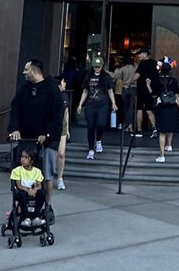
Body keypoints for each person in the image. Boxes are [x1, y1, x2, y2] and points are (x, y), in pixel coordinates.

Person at [8, 60, 65, 211]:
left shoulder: (52, 89)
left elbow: (57, 116)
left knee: (46, 173)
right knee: (23, 171)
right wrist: (14, 128)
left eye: (26, 69)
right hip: (27, 138)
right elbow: (15, 108)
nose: (24, 72)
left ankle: (47, 205)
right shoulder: (24, 89)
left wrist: (46, 133)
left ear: (34, 70)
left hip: (47, 140)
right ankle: (21, 205)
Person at [77, 56, 116, 159]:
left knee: (101, 124)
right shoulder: (88, 76)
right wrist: (80, 104)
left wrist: (113, 103)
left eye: (98, 66)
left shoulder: (106, 76)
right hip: (90, 105)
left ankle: (98, 140)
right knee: (90, 127)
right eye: (95, 66)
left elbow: (110, 90)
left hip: (103, 105)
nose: (97, 68)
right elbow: (85, 91)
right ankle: (91, 149)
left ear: (101, 66)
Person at [7, 146, 46, 233]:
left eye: (26, 157)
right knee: (21, 193)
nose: (23, 159)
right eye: (22, 157)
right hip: (22, 192)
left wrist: (35, 189)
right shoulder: (17, 170)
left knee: (42, 192)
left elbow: (39, 185)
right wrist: (28, 190)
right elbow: (19, 185)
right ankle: (26, 217)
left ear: (31, 161)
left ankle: (36, 216)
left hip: (33, 192)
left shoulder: (37, 171)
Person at [152, 59, 179, 161]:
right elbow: (177, 96)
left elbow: (154, 94)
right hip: (173, 107)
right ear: (169, 70)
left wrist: (148, 85)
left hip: (161, 107)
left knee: (162, 132)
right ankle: (169, 145)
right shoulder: (173, 81)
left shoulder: (157, 80)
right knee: (170, 126)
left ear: (161, 70)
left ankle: (162, 156)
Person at [135, 50, 158, 143]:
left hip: (142, 89)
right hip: (152, 90)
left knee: (139, 109)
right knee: (149, 110)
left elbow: (136, 76)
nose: (139, 56)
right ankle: (154, 129)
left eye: (140, 54)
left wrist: (127, 82)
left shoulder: (142, 64)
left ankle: (139, 130)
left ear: (145, 54)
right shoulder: (155, 63)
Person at [112, 54, 137, 137]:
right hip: (133, 88)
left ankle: (126, 125)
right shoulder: (135, 68)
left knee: (125, 108)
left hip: (124, 89)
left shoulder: (122, 68)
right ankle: (130, 125)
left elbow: (115, 76)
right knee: (132, 108)